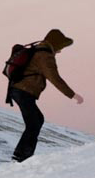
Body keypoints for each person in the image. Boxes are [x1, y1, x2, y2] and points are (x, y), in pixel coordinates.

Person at [6, 29, 82, 162]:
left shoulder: (39, 50)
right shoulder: (45, 56)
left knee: (37, 120)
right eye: (61, 47)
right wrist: (73, 95)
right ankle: (22, 157)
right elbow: (54, 78)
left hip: (20, 90)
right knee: (34, 122)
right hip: (23, 91)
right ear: (55, 44)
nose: (60, 51)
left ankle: (21, 154)